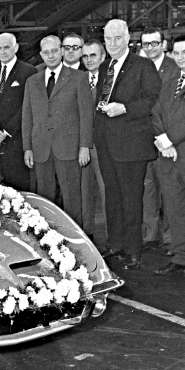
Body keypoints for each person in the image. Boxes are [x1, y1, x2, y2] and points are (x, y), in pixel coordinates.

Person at [93, 19, 161, 269]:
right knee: (112, 195)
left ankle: (133, 249)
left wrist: (125, 108)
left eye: (117, 38)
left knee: (132, 198)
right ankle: (116, 244)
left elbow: (153, 99)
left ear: (128, 38)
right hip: (106, 142)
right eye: (108, 39)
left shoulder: (143, 65)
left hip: (131, 145)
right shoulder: (105, 67)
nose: (112, 44)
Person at [22, 35, 94, 227]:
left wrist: (84, 146)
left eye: (54, 51)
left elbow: (86, 116)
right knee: (44, 200)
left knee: (72, 198)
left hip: (69, 148)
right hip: (41, 149)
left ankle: (75, 239)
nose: (51, 55)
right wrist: (27, 148)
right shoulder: (32, 81)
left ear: (62, 51)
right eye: (46, 52)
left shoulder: (79, 78)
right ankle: (48, 238)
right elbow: (27, 117)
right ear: (41, 55)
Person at [151, 34, 185, 283]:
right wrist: (162, 140)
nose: (180, 57)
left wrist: (169, 139)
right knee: (176, 210)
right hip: (169, 159)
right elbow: (156, 112)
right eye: (176, 53)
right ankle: (182, 257)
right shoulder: (169, 81)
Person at [0, 32, 37, 191]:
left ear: (16, 48)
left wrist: (6, 131)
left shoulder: (29, 72)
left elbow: (27, 106)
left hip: (16, 141)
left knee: (18, 190)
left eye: (6, 47)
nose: (3, 52)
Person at [140, 27, 179, 251]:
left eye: (154, 43)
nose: (150, 48)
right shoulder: (139, 67)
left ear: (163, 44)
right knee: (148, 189)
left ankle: (171, 238)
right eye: (146, 44)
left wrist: (167, 137)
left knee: (169, 190)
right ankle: (150, 235)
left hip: (167, 139)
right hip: (143, 139)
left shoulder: (175, 68)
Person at [80, 39, 108, 244]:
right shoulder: (78, 79)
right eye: (85, 56)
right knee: (84, 193)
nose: (88, 60)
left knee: (106, 193)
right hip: (81, 146)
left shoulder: (111, 80)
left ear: (103, 57)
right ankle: (87, 238)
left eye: (93, 55)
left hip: (104, 146)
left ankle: (110, 239)